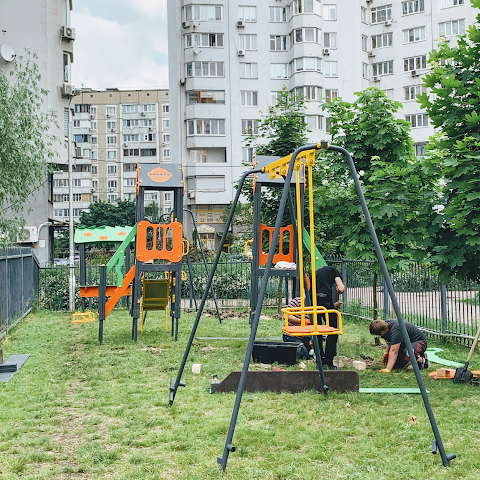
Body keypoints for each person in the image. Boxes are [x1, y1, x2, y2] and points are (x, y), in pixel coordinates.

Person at [312, 266, 345, 369]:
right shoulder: (333, 270)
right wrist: (339, 291)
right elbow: (341, 288)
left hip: (313, 301)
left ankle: (320, 362)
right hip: (325, 299)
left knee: (317, 332)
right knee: (333, 330)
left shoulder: (315, 273)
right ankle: (329, 361)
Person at [282, 296, 314, 360]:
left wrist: (312, 339)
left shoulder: (316, 307)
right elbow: (285, 316)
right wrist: (301, 321)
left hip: (306, 336)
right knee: (305, 356)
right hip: (292, 335)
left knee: (313, 354)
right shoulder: (297, 301)